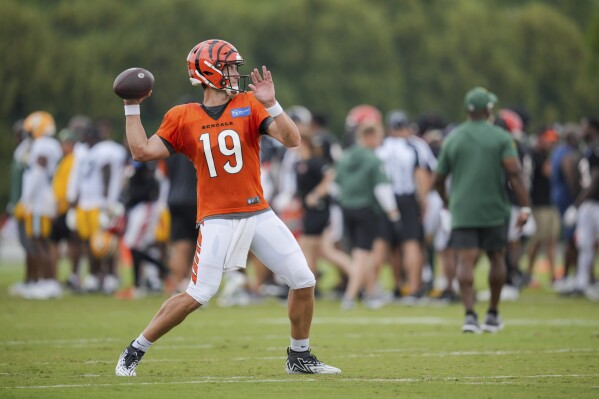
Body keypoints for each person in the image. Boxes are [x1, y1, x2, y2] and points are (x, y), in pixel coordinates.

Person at [115, 39, 340, 376]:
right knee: (198, 294)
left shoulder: (249, 104)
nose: (236, 73)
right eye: (230, 67)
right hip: (217, 217)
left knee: (304, 280)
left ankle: (300, 356)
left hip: (258, 212)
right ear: (208, 71)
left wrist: (274, 104)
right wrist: (132, 106)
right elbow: (142, 152)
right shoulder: (183, 116)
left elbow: (292, 140)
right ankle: (135, 349)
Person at [433, 87, 530, 334]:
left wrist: (447, 202)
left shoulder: (453, 138)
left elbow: (438, 179)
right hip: (494, 208)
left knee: (465, 260)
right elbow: (515, 174)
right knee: (497, 257)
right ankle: (493, 315)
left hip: (463, 209)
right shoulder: (500, 136)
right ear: (488, 110)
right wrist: (526, 206)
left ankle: (469, 315)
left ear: (468, 110)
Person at [334, 121, 401, 310]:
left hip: (347, 208)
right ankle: (350, 296)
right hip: (366, 209)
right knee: (362, 255)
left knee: (363, 253)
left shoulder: (345, 157)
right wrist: (393, 214)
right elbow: (382, 189)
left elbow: (336, 186)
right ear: (369, 137)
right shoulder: (373, 159)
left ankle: (372, 292)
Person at [564, 117, 599, 299]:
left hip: (595, 202)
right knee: (584, 244)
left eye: (585, 126)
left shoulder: (595, 149)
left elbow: (595, 180)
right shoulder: (587, 149)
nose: (582, 129)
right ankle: (581, 282)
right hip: (588, 204)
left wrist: (576, 204)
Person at [525, 128, 560, 286]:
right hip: (538, 205)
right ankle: (528, 273)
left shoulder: (545, 155)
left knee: (551, 241)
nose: (551, 144)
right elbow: (548, 172)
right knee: (536, 242)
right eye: (548, 140)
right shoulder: (534, 155)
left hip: (549, 204)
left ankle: (554, 277)